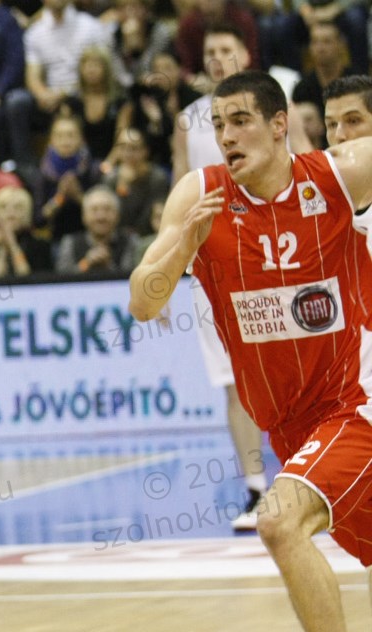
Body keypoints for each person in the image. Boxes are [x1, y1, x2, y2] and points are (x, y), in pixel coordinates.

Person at [129, 70, 372, 632]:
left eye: (240, 120)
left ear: (278, 123)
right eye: (218, 123)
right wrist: (184, 244)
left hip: (355, 402)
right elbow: (142, 303)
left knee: (278, 521)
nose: (226, 135)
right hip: (291, 426)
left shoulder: (336, 176)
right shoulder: (200, 195)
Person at [172, 23, 272, 531]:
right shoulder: (189, 120)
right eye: (209, 50)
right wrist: (169, 267)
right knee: (235, 383)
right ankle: (257, 489)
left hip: (273, 254)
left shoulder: (273, 105)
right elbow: (178, 194)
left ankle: (319, 478)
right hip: (213, 265)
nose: (216, 57)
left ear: (245, 53)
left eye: (225, 49)